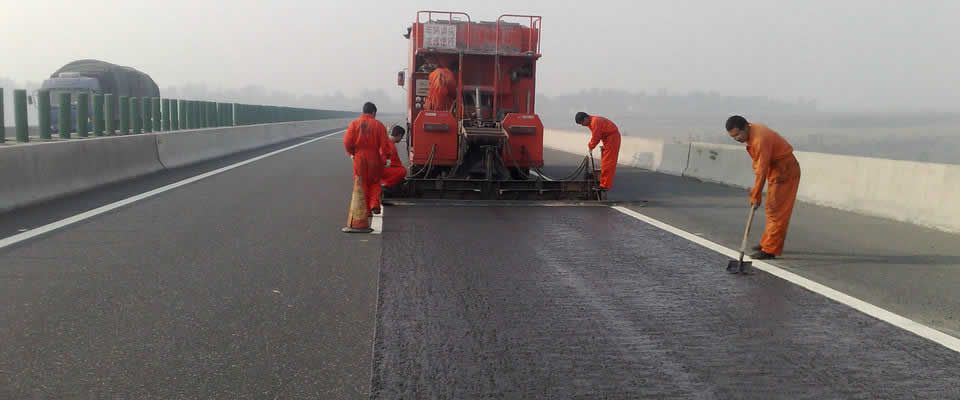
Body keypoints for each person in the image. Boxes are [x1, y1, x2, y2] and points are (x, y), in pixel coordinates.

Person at [726, 115, 802, 260]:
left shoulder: (760, 139)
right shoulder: (753, 131)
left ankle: (770, 249)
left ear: (746, 127)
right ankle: (767, 242)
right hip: (777, 170)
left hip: (785, 171)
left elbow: (762, 169)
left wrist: (756, 195)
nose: (736, 139)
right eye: (732, 137)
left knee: (776, 211)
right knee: (771, 209)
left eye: (737, 135)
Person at [344, 102, 391, 215]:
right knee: (375, 182)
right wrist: (385, 159)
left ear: (363, 111)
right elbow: (384, 145)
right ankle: (374, 204)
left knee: (362, 182)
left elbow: (347, 141)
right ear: (374, 112)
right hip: (374, 157)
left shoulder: (354, 124)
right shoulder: (379, 125)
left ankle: (365, 209)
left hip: (359, 157)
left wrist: (352, 153)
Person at [575, 111, 621, 190]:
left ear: (585, 118)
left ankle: (605, 185)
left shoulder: (595, 122)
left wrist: (591, 146)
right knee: (604, 162)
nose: (582, 125)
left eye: (582, 123)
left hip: (612, 138)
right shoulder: (591, 122)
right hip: (607, 139)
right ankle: (603, 183)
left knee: (608, 163)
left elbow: (596, 136)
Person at [382, 125, 408, 190]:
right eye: (401, 137)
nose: (401, 139)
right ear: (399, 135)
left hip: (377, 168)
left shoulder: (387, 141)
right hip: (382, 170)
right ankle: (387, 184)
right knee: (403, 171)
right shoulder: (391, 146)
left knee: (401, 169)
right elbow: (393, 162)